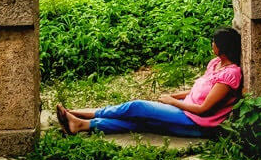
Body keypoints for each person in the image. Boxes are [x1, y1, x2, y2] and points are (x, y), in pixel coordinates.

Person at [56, 27, 242, 137]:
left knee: (137, 108)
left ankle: (79, 113)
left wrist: (172, 102)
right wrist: (173, 96)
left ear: (221, 48)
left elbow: (204, 109)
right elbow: (196, 92)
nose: (212, 45)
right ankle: (80, 124)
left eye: (214, 42)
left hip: (197, 123)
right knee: (140, 122)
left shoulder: (230, 75)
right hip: (186, 110)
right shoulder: (215, 64)